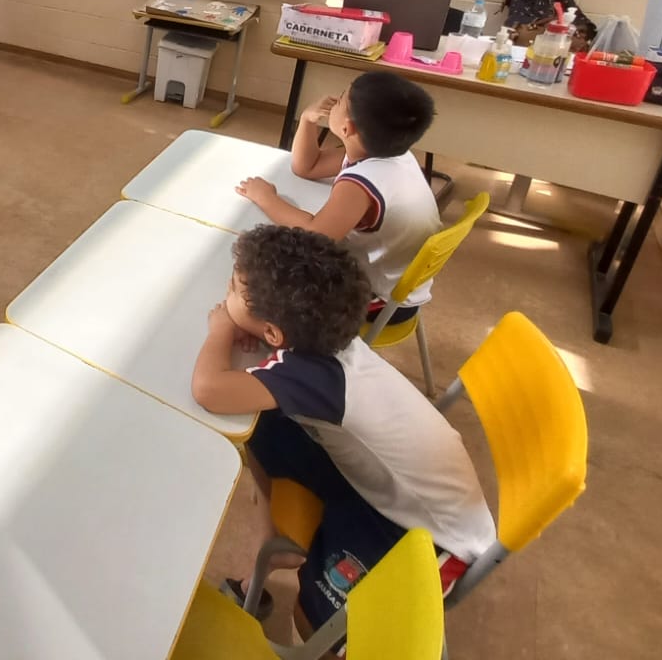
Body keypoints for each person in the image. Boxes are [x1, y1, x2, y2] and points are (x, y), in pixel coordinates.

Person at [190, 225, 495, 637]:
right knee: (264, 425)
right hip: (376, 484)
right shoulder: (324, 338)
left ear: (275, 332)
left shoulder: (314, 375)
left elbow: (208, 390)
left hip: (429, 535)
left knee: (318, 620)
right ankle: (272, 537)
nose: (226, 294)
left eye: (234, 290)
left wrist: (221, 329)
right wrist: (253, 325)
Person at [236, 71, 440, 321]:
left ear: (347, 128)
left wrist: (266, 198)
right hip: (398, 283)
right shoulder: (390, 153)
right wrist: (307, 120)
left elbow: (314, 236)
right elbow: (307, 166)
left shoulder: (361, 183)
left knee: (263, 273)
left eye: (341, 98)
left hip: (381, 300)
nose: (334, 101)